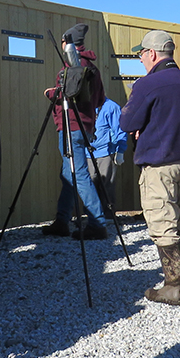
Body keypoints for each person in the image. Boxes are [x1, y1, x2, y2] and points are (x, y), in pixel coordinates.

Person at [120, 29, 180, 305]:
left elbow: (127, 123)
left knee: (162, 223)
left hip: (159, 164)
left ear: (151, 54)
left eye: (141, 54)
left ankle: (172, 286)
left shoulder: (145, 85)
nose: (141, 60)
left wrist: (141, 128)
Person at [40, 23, 110, 240]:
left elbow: (65, 95)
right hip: (85, 126)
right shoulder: (92, 68)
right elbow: (99, 99)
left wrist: (51, 93)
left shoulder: (72, 66)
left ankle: (97, 223)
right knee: (69, 174)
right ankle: (62, 221)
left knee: (78, 174)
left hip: (71, 127)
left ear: (67, 42)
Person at [88, 96, 128, 214]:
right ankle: (91, 217)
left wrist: (120, 151)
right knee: (89, 187)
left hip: (106, 153)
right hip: (86, 153)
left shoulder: (111, 107)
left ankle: (108, 215)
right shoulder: (83, 106)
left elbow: (120, 130)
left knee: (107, 186)